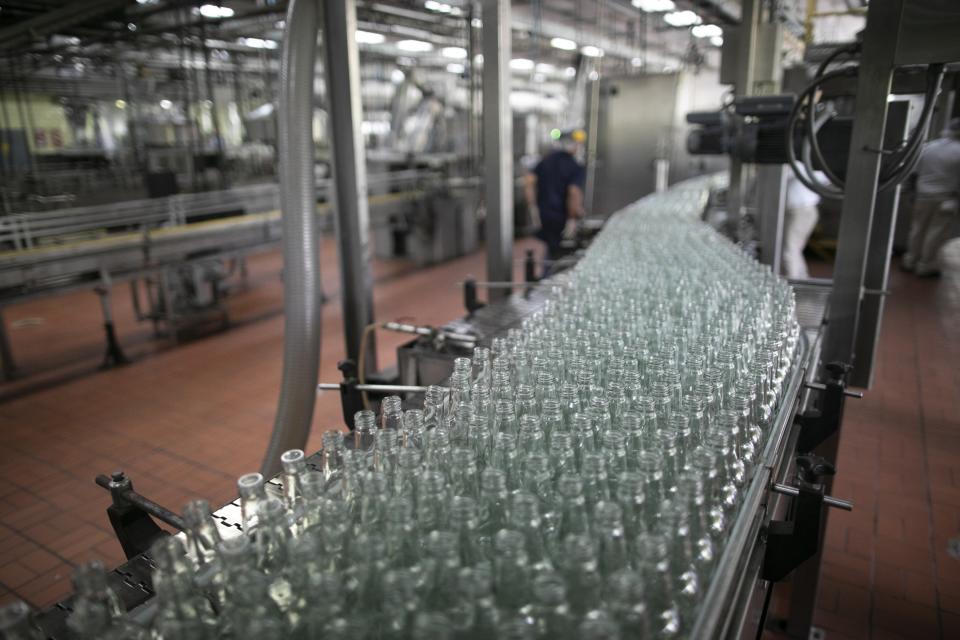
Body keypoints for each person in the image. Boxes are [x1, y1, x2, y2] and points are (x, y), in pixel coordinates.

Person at [903, 117, 960, 277]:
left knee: (917, 229)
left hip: (922, 195)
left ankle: (910, 260)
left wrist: (911, 192)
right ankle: (926, 265)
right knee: (936, 232)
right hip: (945, 198)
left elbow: (914, 173)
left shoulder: (929, 147)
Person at [525, 130, 587, 262]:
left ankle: (545, 274)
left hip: (545, 212)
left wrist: (532, 207)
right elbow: (573, 192)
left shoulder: (547, 160)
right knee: (559, 255)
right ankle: (548, 278)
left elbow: (529, 181)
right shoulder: (575, 166)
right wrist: (572, 218)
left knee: (550, 249)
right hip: (561, 215)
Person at [782, 171, 823, 279]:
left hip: (802, 209)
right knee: (794, 249)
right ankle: (802, 279)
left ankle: (793, 286)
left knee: (789, 249)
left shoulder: (803, 166)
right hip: (800, 210)